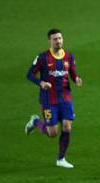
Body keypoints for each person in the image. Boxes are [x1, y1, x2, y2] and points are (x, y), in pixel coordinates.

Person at [25, 28, 82, 169]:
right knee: (52, 133)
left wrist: (76, 79)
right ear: (50, 41)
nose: (58, 41)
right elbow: (30, 74)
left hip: (65, 98)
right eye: (55, 39)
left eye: (60, 38)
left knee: (67, 126)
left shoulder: (69, 56)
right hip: (48, 100)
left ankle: (61, 159)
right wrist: (41, 83)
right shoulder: (43, 57)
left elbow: (73, 73)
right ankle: (36, 121)